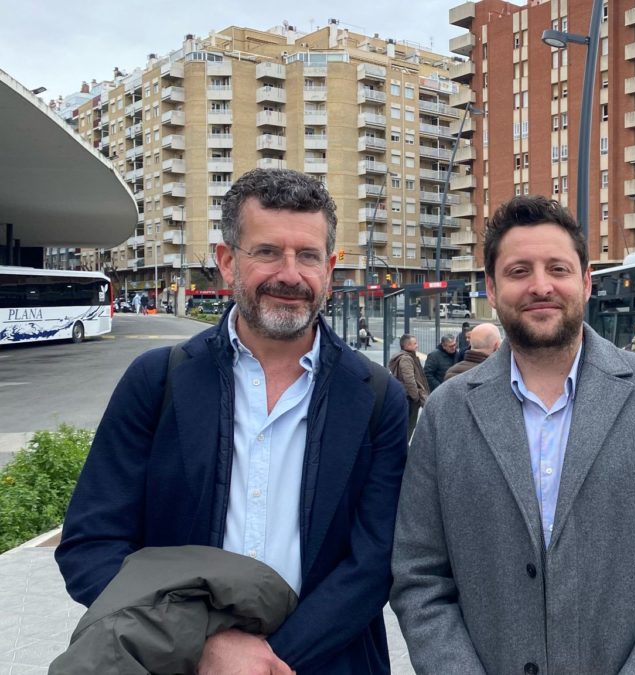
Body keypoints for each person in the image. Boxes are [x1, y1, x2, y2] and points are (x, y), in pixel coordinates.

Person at [56, 168, 409, 674]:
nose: (290, 274)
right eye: (267, 252)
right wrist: (201, 642)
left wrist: (265, 662)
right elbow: (91, 546)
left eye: (307, 255)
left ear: (329, 269)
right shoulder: (157, 383)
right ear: (226, 262)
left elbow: (373, 563)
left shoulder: (378, 399)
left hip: (329, 662)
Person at [391, 195, 635, 674]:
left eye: (558, 268)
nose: (540, 286)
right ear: (491, 287)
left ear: (586, 281)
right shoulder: (447, 413)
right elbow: (418, 576)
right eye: (518, 271)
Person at [388, 333, 429, 441]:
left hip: (407, 396)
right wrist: (415, 397)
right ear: (407, 346)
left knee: (407, 426)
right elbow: (409, 380)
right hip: (409, 398)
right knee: (409, 426)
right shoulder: (406, 359)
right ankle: (404, 451)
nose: (417, 345)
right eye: (414, 343)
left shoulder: (409, 357)